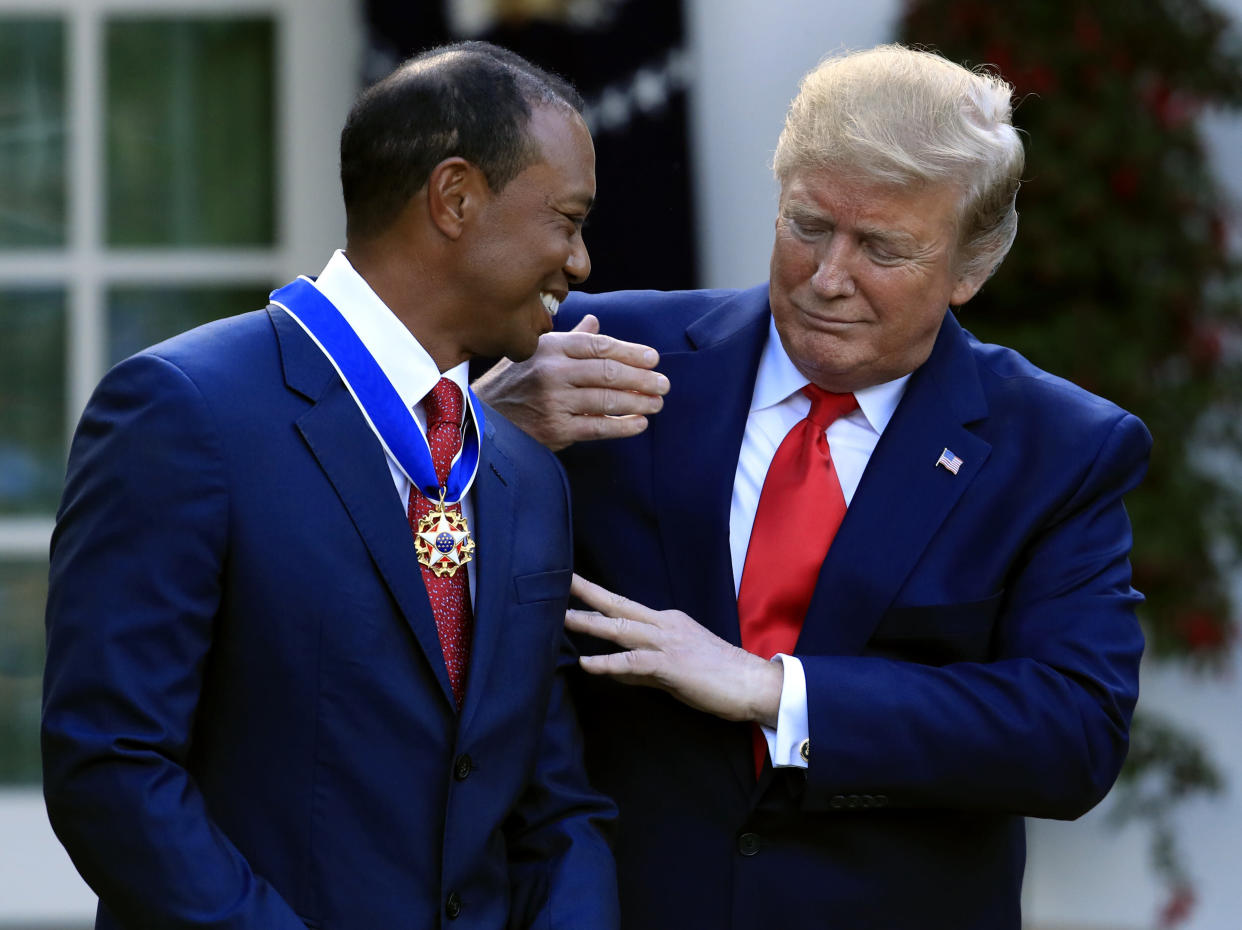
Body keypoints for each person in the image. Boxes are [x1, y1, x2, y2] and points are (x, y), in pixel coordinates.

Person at [475, 44, 1150, 929]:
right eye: (807, 226)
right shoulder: (612, 352)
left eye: (883, 248)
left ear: (972, 268)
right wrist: (483, 424)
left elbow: (1073, 735)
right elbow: (413, 573)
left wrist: (778, 690)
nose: (830, 278)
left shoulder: (1058, 447)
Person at [42, 42, 619, 930]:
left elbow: (554, 807)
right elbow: (112, 769)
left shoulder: (526, 476)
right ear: (455, 198)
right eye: (567, 219)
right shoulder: (183, 411)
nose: (579, 263)